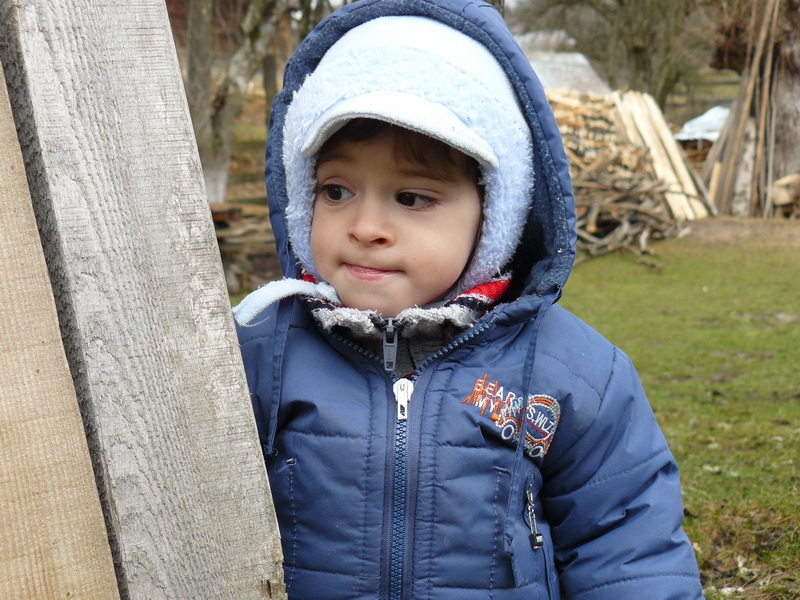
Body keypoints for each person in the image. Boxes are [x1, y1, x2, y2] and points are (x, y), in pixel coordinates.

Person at [233, 1, 705, 598]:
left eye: (412, 198)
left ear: (493, 218)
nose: (366, 226)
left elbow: (626, 550)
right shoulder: (257, 358)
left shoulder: (574, 376)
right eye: (336, 191)